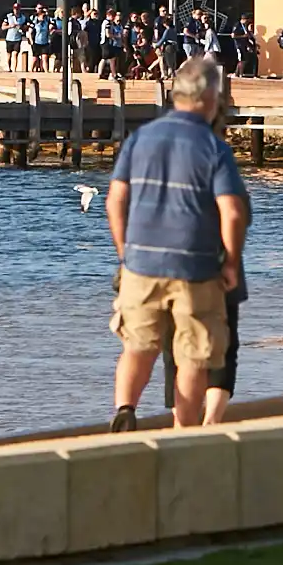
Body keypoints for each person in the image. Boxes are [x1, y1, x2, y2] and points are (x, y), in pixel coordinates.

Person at [103, 56, 251, 430]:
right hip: (195, 268)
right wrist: (231, 261)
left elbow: (114, 201)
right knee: (193, 357)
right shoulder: (214, 148)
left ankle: (125, 409)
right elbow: (232, 212)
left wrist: (125, 252)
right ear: (210, 98)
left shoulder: (140, 139)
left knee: (137, 345)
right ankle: (184, 431)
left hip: (141, 263)